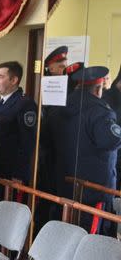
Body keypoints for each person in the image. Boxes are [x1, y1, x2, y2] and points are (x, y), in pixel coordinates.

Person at [45, 66, 121, 236]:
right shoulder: (101, 112)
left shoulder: (59, 108)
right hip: (94, 192)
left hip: (65, 186)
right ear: (98, 88)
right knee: (92, 240)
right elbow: (109, 141)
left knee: (66, 235)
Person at [0, 61, 37, 218]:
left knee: (9, 218)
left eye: (0, 77)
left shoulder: (25, 104)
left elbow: (27, 142)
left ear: (14, 80)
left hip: (12, 175)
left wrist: (19, 175)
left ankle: (0, 244)